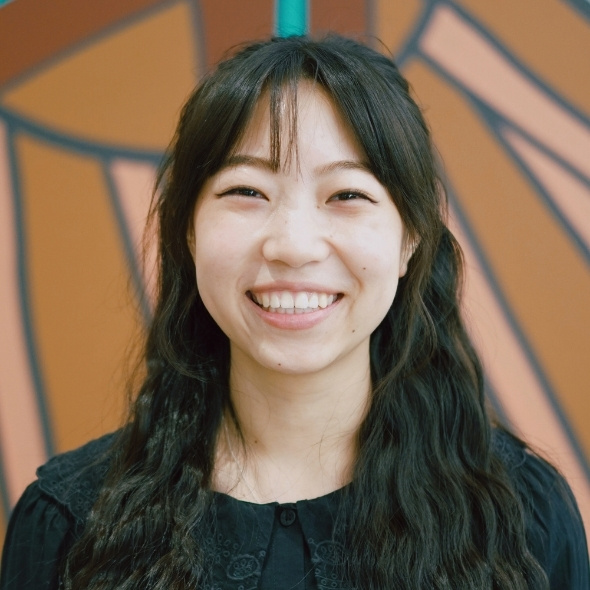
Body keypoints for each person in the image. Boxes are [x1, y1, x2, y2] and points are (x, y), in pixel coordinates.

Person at [1, 35, 588, 590]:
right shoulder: (69, 524)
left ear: (410, 239)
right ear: (188, 231)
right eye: (247, 191)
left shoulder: (523, 515)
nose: (293, 244)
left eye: (347, 196)